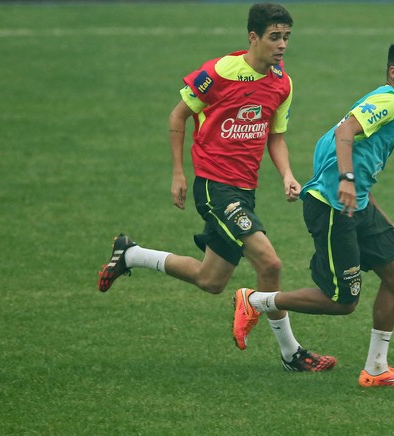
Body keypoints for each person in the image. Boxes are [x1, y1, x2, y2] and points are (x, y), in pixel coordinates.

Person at [97, 3, 336, 373]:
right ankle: (292, 353)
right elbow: (179, 115)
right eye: (274, 37)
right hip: (214, 187)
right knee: (270, 263)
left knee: (210, 280)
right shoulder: (220, 72)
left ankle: (130, 254)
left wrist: (287, 174)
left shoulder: (282, 84)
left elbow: (276, 136)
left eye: (286, 37)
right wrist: (179, 172)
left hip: (244, 190)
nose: (282, 45)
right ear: (253, 38)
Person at [232, 38, 394, 388]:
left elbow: (338, 146)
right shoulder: (387, 100)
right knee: (342, 302)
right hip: (334, 207)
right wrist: (347, 180)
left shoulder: (389, 102)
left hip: (356, 204)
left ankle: (376, 369)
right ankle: (256, 300)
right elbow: (344, 132)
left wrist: (379, 216)